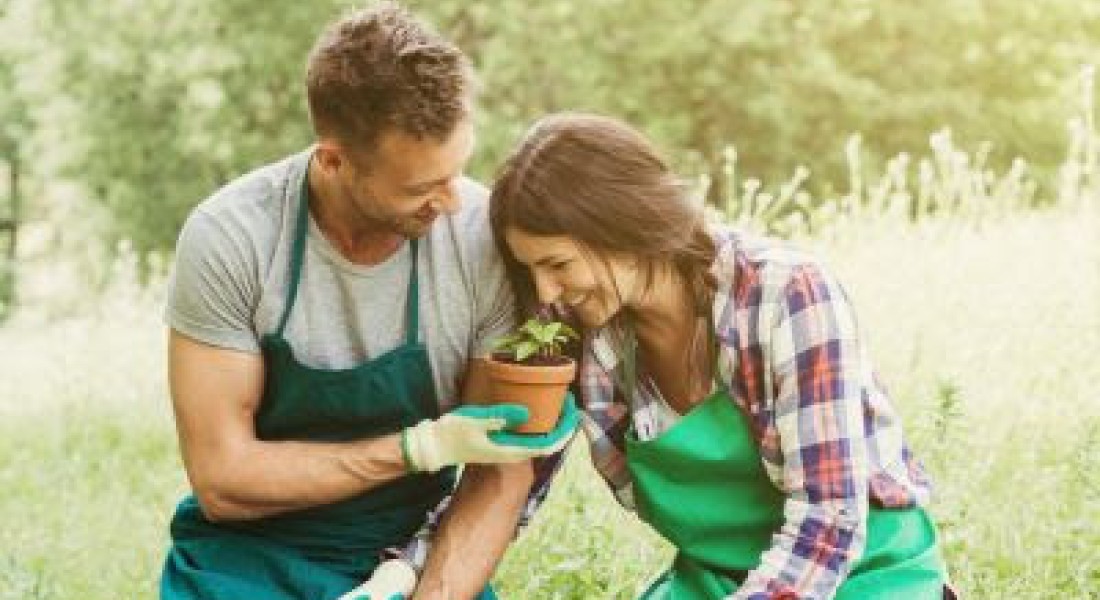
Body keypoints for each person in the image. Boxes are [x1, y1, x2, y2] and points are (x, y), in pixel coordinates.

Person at [159, 5, 578, 600]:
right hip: (248, 553)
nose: (451, 203)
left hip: (414, 549)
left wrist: (428, 592)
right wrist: (415, 449)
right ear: (333, 160)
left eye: (456, 172)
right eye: (421, 187)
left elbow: (499, 470)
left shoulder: (482, 236)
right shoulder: (233, 238)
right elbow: (223, 480)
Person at [488, 113, 955, 599]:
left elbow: (829, 517)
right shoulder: (578, 333)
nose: (546, 292)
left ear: (622, 226)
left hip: (859, 570)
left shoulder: (787, 294)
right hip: (719, 577)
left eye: (558, 264)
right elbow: (516, 478)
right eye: (531, 271)